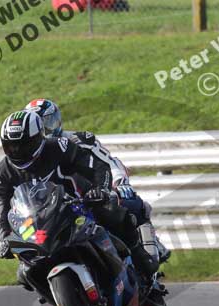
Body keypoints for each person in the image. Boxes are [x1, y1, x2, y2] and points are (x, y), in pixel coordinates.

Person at [0, 110, 158, 288]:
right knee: (25, 274)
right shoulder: (1, 174)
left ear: (39, 138)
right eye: (11, 146)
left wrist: (100, 190)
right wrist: (5, 240)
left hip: (77, 206)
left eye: (24, 145)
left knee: (113, 213)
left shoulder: (59, 147)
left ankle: (142, 262)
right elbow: (1, 213)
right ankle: (58, 298)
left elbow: (96, 166)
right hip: (37, 223)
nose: (17, 151)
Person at [23, 98, 170, 263]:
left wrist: (120, 183)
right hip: (58, 209)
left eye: (48, 123)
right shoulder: (29, 158)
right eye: (41, 125)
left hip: (92, 197)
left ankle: (149, 251)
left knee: (130, 204)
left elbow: (109, 162)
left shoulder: (79, 140)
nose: (46, 130)